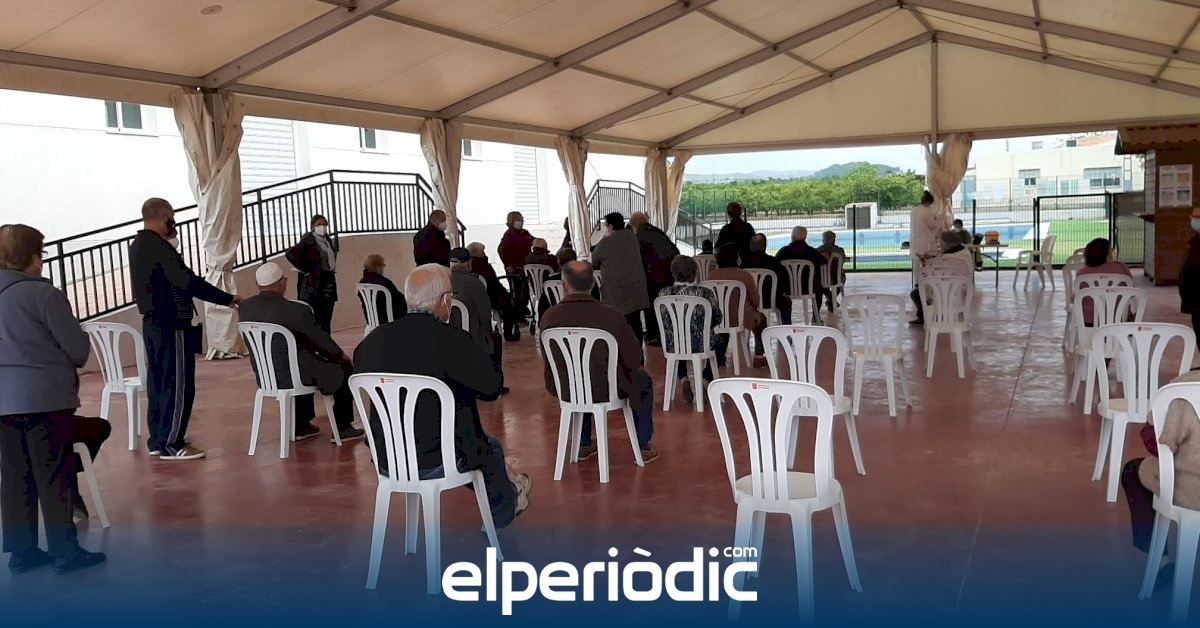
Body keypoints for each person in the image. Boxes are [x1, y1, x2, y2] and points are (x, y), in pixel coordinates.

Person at [354, 264, 531, 529]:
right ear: (446, 300)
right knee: (489, 449)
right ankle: (503, 511)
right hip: (438, 458)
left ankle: (511, 491)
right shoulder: (453, 340)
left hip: (387, 456)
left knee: (477, 449)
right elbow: (492, 388)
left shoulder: (371, 342)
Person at [0, 224, 106, 573]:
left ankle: (22, 552)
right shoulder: (43, 294)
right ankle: (65, 551)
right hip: (44, 398)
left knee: (14, 476)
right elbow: (77, 350)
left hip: (3, 402)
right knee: (53, 473)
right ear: (32, 256)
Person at [130, 197, 238, 460]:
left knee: (159, 383)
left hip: (153, 323)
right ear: (163, 215)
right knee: (178, 384)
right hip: (172, 324)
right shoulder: (158, 247)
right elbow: (186, 280)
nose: (173, 222)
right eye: (171, 216)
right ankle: (173, 442)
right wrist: (227, 298)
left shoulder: (138, 245)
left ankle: (158, 439)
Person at [540, 261, 659, 463]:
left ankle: (584, 442)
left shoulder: (549, 317)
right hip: (606, 388)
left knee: (581, 373)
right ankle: (642, 444)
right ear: (593, 284)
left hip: (566, 388)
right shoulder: (611, 315)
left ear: (564, 285)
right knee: (641, 381)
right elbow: (633, 357)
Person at [239, 262, 366, 443]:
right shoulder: (297, 310)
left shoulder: (245, 308)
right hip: (294, 374)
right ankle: (343, 427)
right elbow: (320, 340)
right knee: (341, 368)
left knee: (303, 362)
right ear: (282, 283)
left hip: (266, 376)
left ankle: (301, 425)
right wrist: (340, 356)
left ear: (258, 285)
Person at [1121, 373, 1200, 573]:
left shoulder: (1181, 388)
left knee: (1132, 471)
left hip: (1192, 491)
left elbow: (1157, 443)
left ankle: (1161, 560)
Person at [656, 256, 727, 404]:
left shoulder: (663, 293)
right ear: (695, 273)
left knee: (680, 339)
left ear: (673, 273)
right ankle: (706, 378)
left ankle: (683, 379)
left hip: (672, 344)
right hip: (701, 344)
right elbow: (717, 318)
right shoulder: (704, 293)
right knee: (721, 342)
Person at [590, 213, 651, 344]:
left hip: (616, 291)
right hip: (636, 288)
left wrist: (602, 241)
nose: (606, 229)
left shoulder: (606, 242)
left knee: (617, 322)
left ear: (611, 226)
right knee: (635, 321)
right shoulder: (632, 237)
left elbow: (594, 261)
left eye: (606, 226)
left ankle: (620, 350)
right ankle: (637, 350)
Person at [449, 247, 505, 380]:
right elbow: (485, 316)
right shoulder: (475, 282)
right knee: (495, 339)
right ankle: (494, 381)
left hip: (447, 338)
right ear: (469, 263)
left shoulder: (440, 281)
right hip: (472, 339)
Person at [710, 243, 768, 368]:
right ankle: (759, 356)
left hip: (717, 318)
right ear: (736, 258)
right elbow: (755, 301)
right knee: (761, 320)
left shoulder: (711, 276)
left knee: (724, 326)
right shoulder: (744, 275)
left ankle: (719, 356)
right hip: (741, 316)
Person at [629, 212, 680, 345]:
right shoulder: (658, 232)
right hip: (668, 275)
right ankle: (667, 332)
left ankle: (653, 336)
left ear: (634, 225)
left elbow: (637, 259)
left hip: (652, 277)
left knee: (650, 306)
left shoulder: (639, 236)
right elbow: (675, 250)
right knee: (665, 305)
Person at [285, 215, 339, 333]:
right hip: (314, 285)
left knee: (326, 317)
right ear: (313, 227)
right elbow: (290, 253)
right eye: (319, 224)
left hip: (328, 280)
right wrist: (306, 269)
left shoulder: (328, 240)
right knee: (316, 319)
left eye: (324, 224)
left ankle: (326, 341)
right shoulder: (308, 240)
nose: (322, 227)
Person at [910, 230, 973, 325]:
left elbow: (930, 275)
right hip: (962, 290)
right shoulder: (964, 253)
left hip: (943, 290)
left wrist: (925, 263)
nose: (940, 245)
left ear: (946, 244)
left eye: (941, 243)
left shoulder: (945, 259)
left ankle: (924, 317)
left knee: (916, 293)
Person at [468, 241, 520, 341]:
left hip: (475, 298)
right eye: (483, 252)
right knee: (507, 303)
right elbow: (494, 284)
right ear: (479, 254)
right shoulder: (485, 266)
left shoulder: (469, 267)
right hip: (490, 297)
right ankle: (508, 333)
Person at [1077, 237, 1133, 326]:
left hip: (1090, 321)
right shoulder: (1121, 268)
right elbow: (1132, 292)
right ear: (1108, 254)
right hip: (1119, 319)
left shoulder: (1082, 274)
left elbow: (1076, 298)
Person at [741, 233, 790, 324]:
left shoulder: (743, 265)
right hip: (770, 300)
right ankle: (786, 327)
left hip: (749, 301)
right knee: (786, 301)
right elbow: (784, 283)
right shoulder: (774, 262)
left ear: (750, 247)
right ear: (764, 246)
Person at [776, 226, 827, 310]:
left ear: (792, 236)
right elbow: (823, 262)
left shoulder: (783, 252)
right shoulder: (812, 252)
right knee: (819, 287)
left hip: (787, 288)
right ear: (805, 237)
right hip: (808, 288)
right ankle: (815, 314)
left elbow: (776, 265)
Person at [498, 211, 535, 327]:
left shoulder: (524, 233)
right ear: (512, 221)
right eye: (519, 220)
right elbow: (502, 251)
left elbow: (533, 240)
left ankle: (522, 310)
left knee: (525, 292)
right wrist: (509, 265)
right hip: (514, 269)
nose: (521, 222)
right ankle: (517, 316)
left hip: (524, 267)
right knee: (516, 293)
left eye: (522, 219)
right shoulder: (509, 235)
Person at [359, 254, 406, 323]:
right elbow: (398, 299)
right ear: (377, 267)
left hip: (372, 320)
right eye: (383, 265)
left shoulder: (362, 283)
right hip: (389, 319)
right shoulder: (384, 282)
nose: (383, 268)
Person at [909, 190, 946, 268]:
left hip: (915, 239)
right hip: (926, 241)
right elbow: (933, 225)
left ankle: (916, 276)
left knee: (916, 264)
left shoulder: (914, 211)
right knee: (927, 263)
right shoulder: (927, 212)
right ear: (929, 202)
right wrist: (936, 219)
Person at [817, 230, 846, 311]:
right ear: (834, 240)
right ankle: (831, 300)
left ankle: (830, 299)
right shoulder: (840, 251)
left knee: (820, 283)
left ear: (823, 240)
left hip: (821, 279)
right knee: (842, 278)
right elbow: (842, 262)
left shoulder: (817, 251)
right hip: (836, 278)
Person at [1181, 207, 1200, 336]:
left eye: (1197, 217)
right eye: (1193, 217)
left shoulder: (1194, 244)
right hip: (1195, 301)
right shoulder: (1193, 242)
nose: (1193, 220)